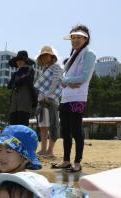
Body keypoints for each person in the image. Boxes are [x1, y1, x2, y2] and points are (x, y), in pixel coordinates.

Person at [51, 24, 96, 173]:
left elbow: (83, 77)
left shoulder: (89, 54)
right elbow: (66, 79)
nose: (75, 40)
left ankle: (77, 162)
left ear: (85, 38)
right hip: (66, 97)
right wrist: (68, 81)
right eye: (73, 37)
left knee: (76, 130)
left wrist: (66, 80)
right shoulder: (71, 56)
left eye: (78, 37)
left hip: (78, 97)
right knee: (65, 130)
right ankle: (66, 160)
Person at [34, 46, 63, 158]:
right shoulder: (43, 70)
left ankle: (50, 151)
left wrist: (48, 95)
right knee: (43, 125)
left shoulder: (56, 67)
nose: (45, 57)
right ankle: (43, 149)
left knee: (52, 125)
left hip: (51, 100)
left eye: (47, 55)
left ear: (52, 57)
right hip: (41, 101)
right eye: (43, 55)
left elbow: (56, 81)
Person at [8, 51, 36, 126]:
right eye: (18, 60)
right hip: (14, 100)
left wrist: (17, 82)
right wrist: (16, 81)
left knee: (22, 121)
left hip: (25, 98)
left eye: (21, 60)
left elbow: (27, 79)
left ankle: (22, 138)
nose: (19, 62)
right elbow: (9, 85)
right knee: (12, 120)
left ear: (25, 61)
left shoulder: (30, 70)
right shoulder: (15, 73)